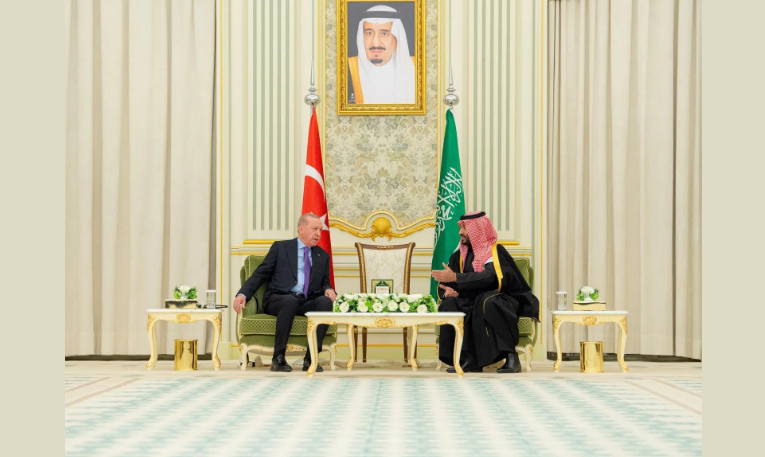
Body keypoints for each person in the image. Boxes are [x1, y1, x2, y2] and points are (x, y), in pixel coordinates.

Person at [431, 211, 539, 373]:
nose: (460, 232)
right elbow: (448, 282)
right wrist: (449, 291)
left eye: (464, 228)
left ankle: (511, 357)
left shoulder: (494, 252)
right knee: (450, 304)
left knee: (488, 301)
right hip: (472, 300)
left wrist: (456, 278)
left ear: (478, 230)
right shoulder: (459, 256)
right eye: (460, 227)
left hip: (502, 299)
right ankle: (465, 359)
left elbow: (491, 278)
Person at [233, 213, 338, 372]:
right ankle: (278, 358)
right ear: (301, 229)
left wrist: (328, 289)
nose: (318, 234)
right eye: (314, 229)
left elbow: (324, 282)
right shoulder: (281, 248)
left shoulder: (322, 255)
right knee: (290, 300)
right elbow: (261, 273)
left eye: (320, 230)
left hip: (305, 301)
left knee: (324, 302)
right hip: (278, 298)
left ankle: (311, 359)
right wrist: (243, 294)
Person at [347, 4, 415, 104]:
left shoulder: (417, 68)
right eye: (369, 33)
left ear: (397, 38)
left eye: (384, 34)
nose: (376, 43)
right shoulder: (347, 69)